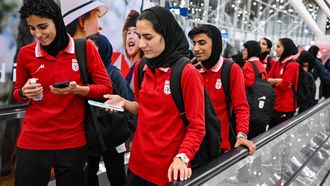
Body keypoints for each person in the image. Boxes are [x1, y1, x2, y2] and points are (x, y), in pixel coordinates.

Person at [14, 0, 112, 185]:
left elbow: (106, 88)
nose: (38, 34)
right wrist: (24, 92)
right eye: (32, 28)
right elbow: (16, 94)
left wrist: (79, 89)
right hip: (32, 142)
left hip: (72, 143)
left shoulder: (85, 48)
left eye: (43, 26)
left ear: (57, 21)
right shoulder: (25, 54)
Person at [104, 6, 205, 185]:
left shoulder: (186, 73)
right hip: (137, 166)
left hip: (166, 172)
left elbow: (197, 127)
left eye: (148, 37)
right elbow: (143, 107)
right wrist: (125, 103)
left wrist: (182, 157)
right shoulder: (143, 67)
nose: (141, 44)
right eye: (140, 37)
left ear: (165, 35)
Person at [188, 24, 256, 154]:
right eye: (194, 43)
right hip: (192, 144)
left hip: (219, 144)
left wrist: (241, 135)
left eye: (202, 43)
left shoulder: (230, 69)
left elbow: (241, 107)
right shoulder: (191, 69)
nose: (196, 48)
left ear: (216, 44)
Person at [86, 33, 132, 186]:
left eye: (94, 50)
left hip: (113, 134)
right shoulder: (85, 75)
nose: (90, 54)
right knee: (88, 175)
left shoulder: (114, 74)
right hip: (92, 135)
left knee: (116, 175)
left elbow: (127, 102)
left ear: (103, 50)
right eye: (87, 50)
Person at [267, 38, 299, 128]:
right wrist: (280, 80)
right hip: (274, 104)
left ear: (286, 48)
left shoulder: (292, 65)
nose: (275, 49)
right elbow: (267, 80)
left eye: (278, 46)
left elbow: (284, 85)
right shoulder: (277, 63)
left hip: (286, 107)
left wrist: (276, 81)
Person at [123, 10, 144, 90]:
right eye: (128, 33)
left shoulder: (140, 68)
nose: (130, 36)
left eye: (135, 32)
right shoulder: (129, 70)